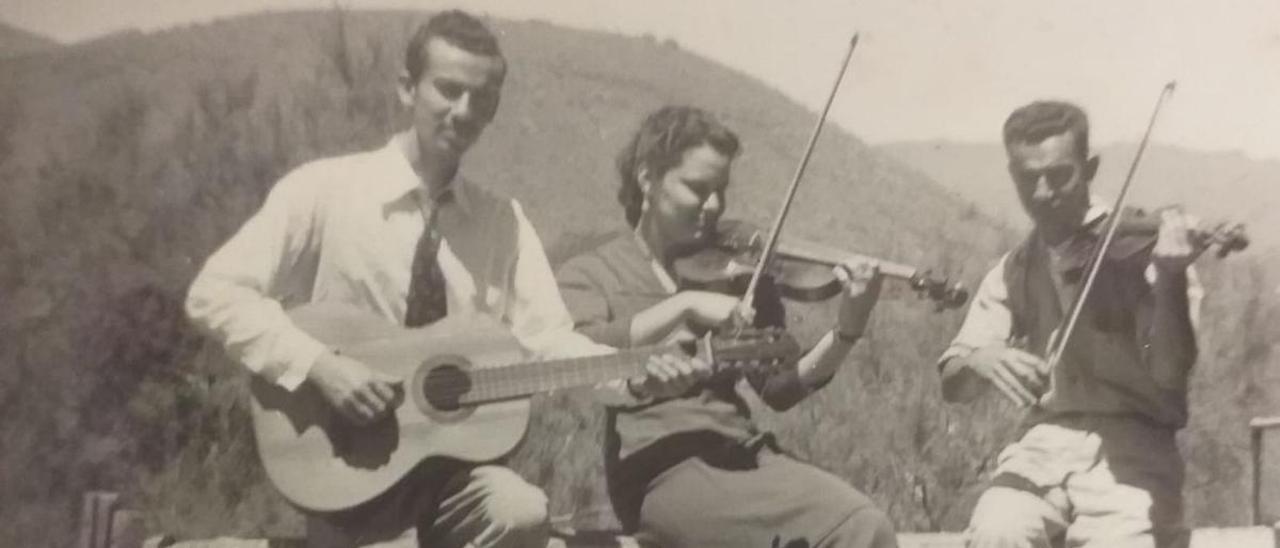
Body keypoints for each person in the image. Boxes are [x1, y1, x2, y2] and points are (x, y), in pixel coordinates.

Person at [185, 11, 695, 548]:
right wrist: (321, 366)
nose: (463, 112)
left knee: (522, 513)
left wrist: (636, 376)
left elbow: (549, 343)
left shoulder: (502, 223)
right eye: (448, 90)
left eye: (481, 99)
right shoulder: (324, 191)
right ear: (407, 88)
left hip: (455, 479)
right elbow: (216, 293)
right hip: (349, 469)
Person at [555, 105, 899, 548]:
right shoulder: (593, 271)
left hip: (742, 452)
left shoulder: (737, 273)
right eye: (698, 189)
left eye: (722, 190)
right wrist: (682, 306)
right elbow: (570, 352)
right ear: (647, 179)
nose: (715, 207)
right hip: (658, 468)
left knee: (865, 525)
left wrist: (847, 330)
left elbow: (779, 387)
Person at [937, 100, 1206, 548]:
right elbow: (952, 384)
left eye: (1060, 175)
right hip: (1043, 445)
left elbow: (1171, 371)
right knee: (994, 532)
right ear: (1013, 176)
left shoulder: (1140, 249)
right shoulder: (1017, 266)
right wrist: (978, 360)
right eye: (1028, 178)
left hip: (1134, 448)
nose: (1043, 192)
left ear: (1090, 168)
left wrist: (1172, 278)